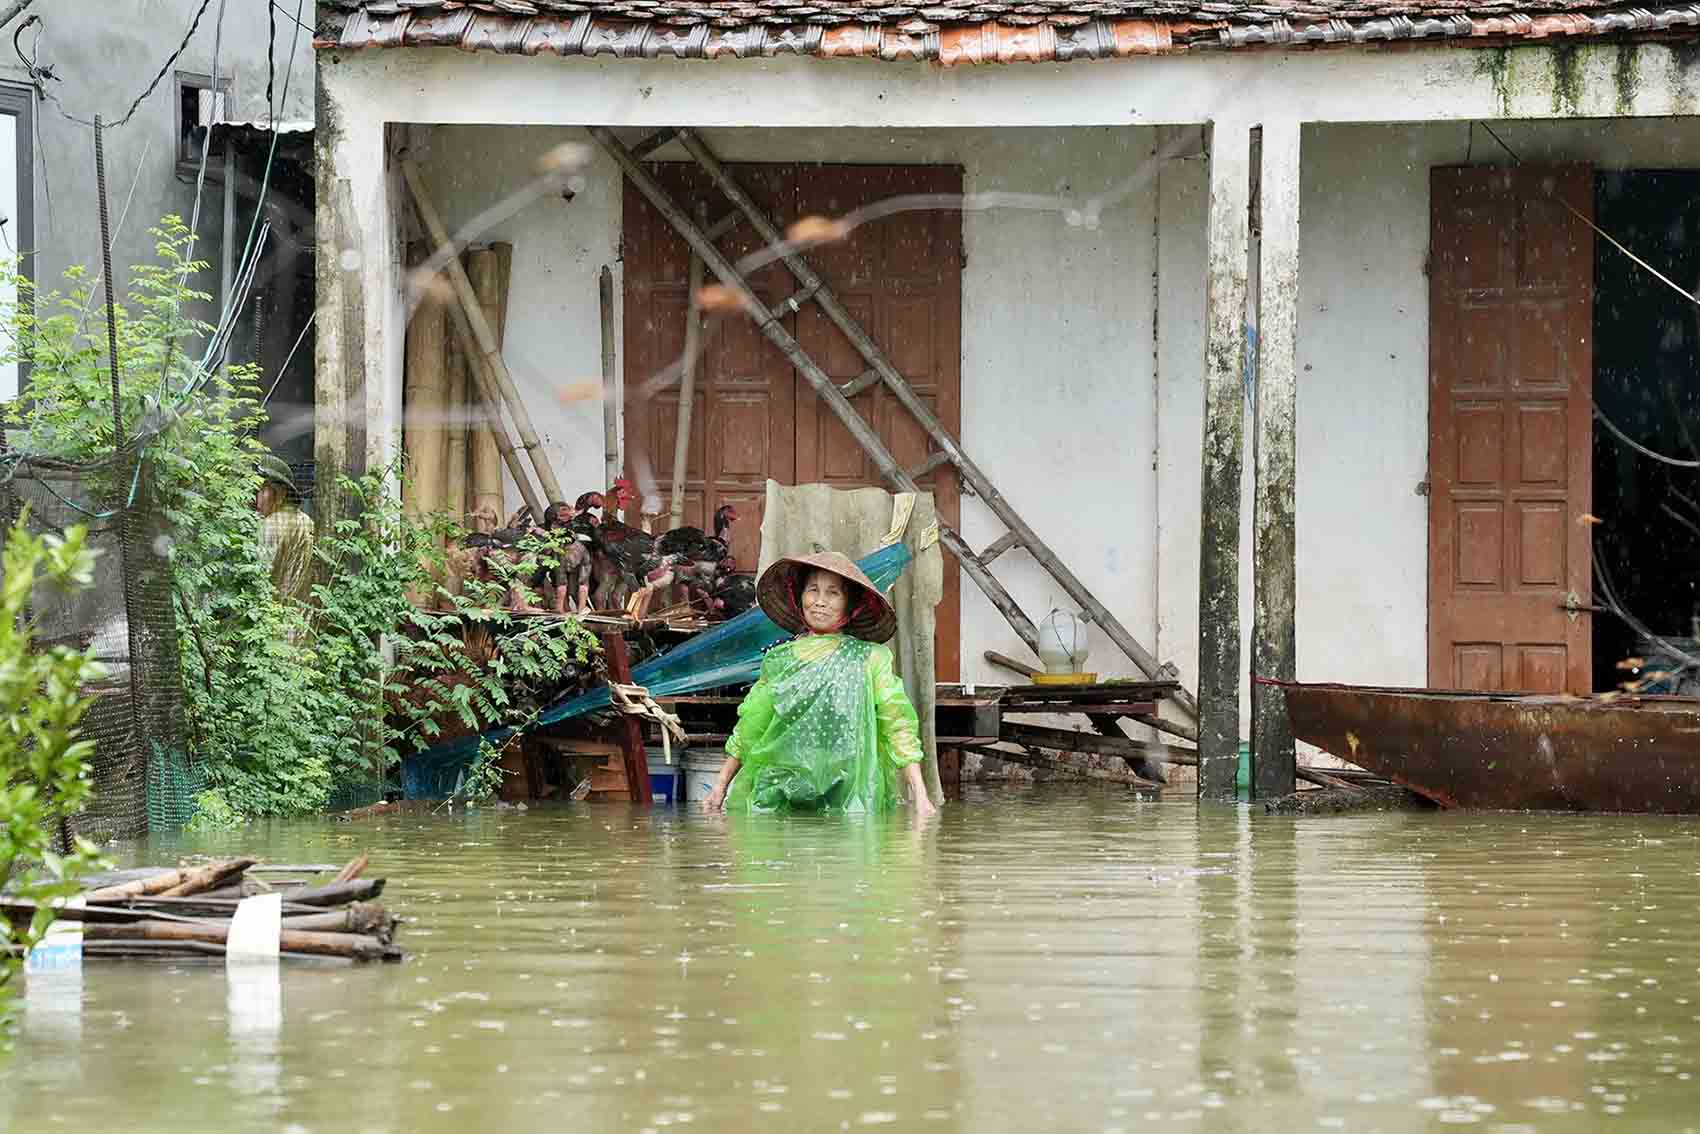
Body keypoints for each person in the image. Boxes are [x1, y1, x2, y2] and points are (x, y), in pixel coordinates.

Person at [702, 550, 937, 816]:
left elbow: (897, 722)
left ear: (850, 605)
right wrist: (719, 787)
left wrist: (920, 795)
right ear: (799, 597)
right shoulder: (779, 659)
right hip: (780, 787)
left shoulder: (870, 657)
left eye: (833, 593)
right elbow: (750, 727)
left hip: (850, 791)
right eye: (813, 590)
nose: (820, 602)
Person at [255, 453, 313, 603]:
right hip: (299, 618)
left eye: (262, 489)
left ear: (281, 492)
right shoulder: (306, 521)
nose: (257, 498)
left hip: (270, 618)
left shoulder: (272, 524)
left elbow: (258, 578)